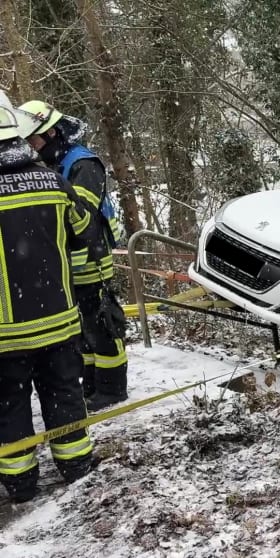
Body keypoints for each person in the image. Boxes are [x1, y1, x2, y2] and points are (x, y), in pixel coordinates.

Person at [0, 100, 101, 502]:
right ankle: (77, 468)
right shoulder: (51, 182)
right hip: (59, 321)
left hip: (5, 334)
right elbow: (82, 230)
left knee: (9, 408)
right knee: (64, 394)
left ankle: (21, 485)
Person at [18, 100, 128, 412]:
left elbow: (82, 218)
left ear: (51, 132)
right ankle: (92, 384)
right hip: (65, 267)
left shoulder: (83, 164)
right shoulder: (51, 164)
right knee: (83, 333)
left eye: (34, 140)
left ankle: (112, 388)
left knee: (101, 327)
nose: (31, 147)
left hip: (91, 263)